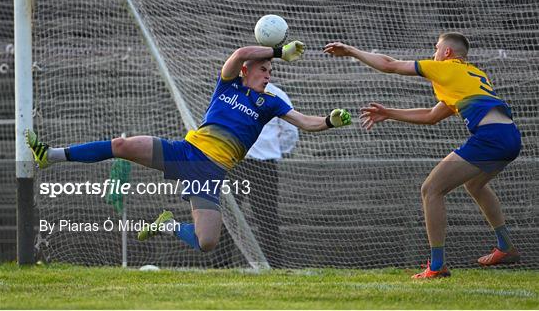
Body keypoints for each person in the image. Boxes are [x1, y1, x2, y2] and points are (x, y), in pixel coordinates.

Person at [26, 40, 352, 253]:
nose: (268, 75)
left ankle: (166, 225)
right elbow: (239, 54)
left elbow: (306, 122)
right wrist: (278, 50)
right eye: (264, 69)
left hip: (209, 174)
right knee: (122, 144)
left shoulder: (271, 103)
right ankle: (50, 155)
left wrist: (331, 120)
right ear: (247, 71)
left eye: (271, 71)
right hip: (184, 153)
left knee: (206, 241)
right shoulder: (228, 83)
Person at [324, 32, 521, 279]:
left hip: (491, 137)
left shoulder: (444, 68)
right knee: (475, 184)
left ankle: (437, 266)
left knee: (431, 190)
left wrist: (351, 50)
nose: (433, 52)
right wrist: (390, 113)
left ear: (447, 52)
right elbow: (431, 115)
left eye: (436, 48)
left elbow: (389, 64)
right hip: (510, 136)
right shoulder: (472, 74)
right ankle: (505, 247)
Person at [236, 82, 298, 267]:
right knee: (228, 214)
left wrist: (272, 151)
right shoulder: (232, 91)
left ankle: (274, 265)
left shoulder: (276, 94)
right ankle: (219, 266)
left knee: (266, 218)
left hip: (261, 167)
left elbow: (290, 131)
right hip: (236, 164)